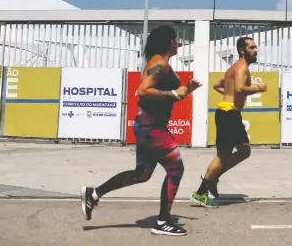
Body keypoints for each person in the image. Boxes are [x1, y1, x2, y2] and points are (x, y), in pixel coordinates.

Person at [80, 25, 201, 236]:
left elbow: (167, 93)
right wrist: (174, 93)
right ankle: (163, 222)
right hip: (151, 126)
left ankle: (94, 194)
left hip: (150, 124)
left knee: (142, 174)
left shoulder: (161, 63)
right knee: (176, 169)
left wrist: (187, 90)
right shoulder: (159, 63)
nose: (179, 44)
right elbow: (143, 90)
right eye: (176, 40)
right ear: (169, 42)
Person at [191, 36, 267, 207]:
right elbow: (240, 88)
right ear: (242, 50)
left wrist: (229, 95)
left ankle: (213, 178)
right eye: (252, 48)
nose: (255, 50)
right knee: (223, 155)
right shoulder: (241, 68)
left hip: (230, 112)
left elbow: (217, 86)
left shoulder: (233, 68)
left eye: (256, 48)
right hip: (228, 114)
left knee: (244, 151)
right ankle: (202, 191)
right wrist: (258, 88)